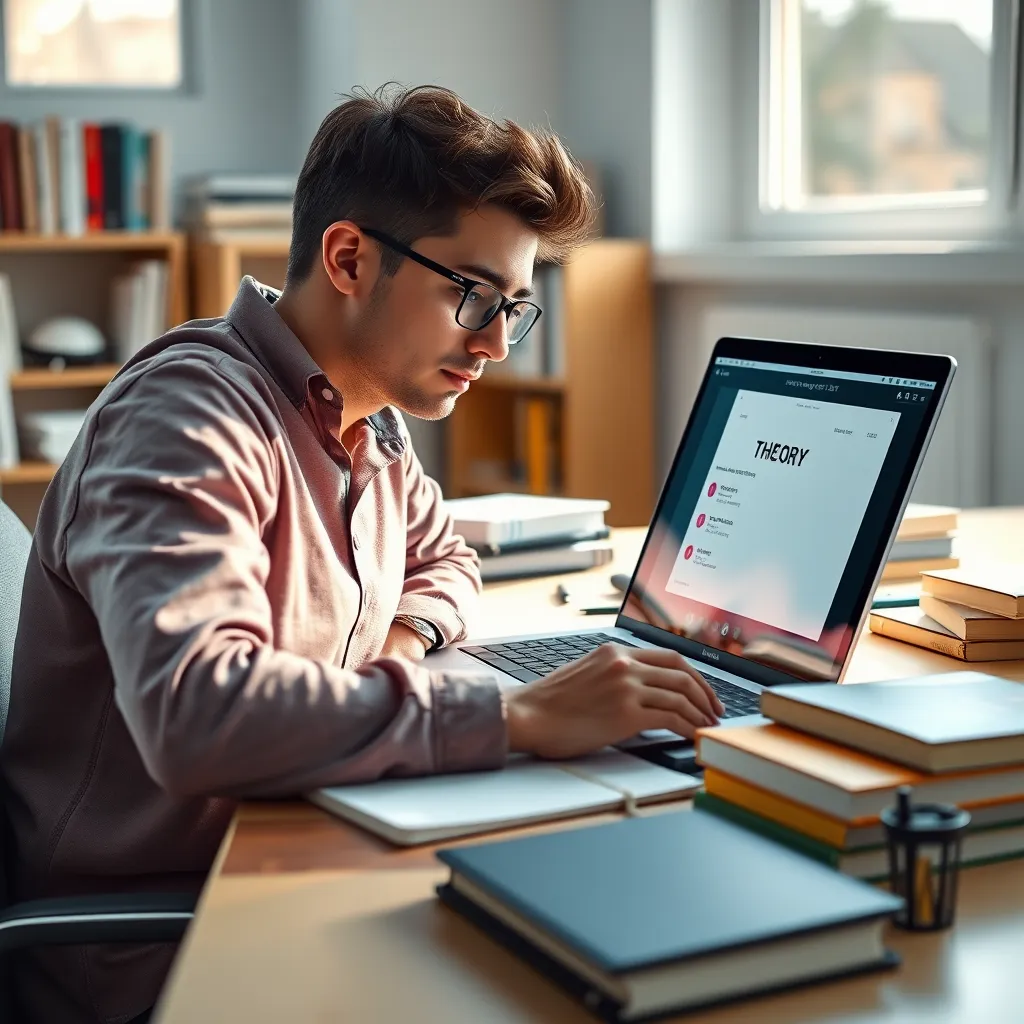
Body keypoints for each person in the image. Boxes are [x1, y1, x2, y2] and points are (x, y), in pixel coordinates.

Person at [1, 85, 722, 1024]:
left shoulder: (363, 421)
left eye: (516, 307)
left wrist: (399, 645)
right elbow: (198, 712)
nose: (498, 342)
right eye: (471, 295)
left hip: (300, 846)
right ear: (348, 258)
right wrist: (510, 718)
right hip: (166, 950)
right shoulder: (187, 417)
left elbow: (445, 563)